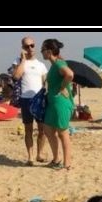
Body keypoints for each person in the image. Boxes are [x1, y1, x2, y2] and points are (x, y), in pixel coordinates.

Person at [10, 36, 49, 166]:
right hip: (25, 99)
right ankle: (30, 156)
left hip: (39, 99)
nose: (30, 48)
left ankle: (40, 154)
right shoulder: (18, 61)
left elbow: (45, 83)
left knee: (42, 129)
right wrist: (23, 60)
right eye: (26, 46)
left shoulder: (41, 65)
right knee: (28, 129)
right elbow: (16, 76)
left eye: (32, 45)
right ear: (22, 47)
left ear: (35, 46)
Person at [40, 38, 75, 170]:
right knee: (48, 129)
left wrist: (62, 87)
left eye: (42, 50)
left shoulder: (59, 64)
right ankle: (56, 159)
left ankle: (67, 163)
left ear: (49, 51)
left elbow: (70, 74)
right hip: (52, 103)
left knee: (62, 133)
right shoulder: (56, 64)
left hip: (61, 103)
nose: (41, 52)